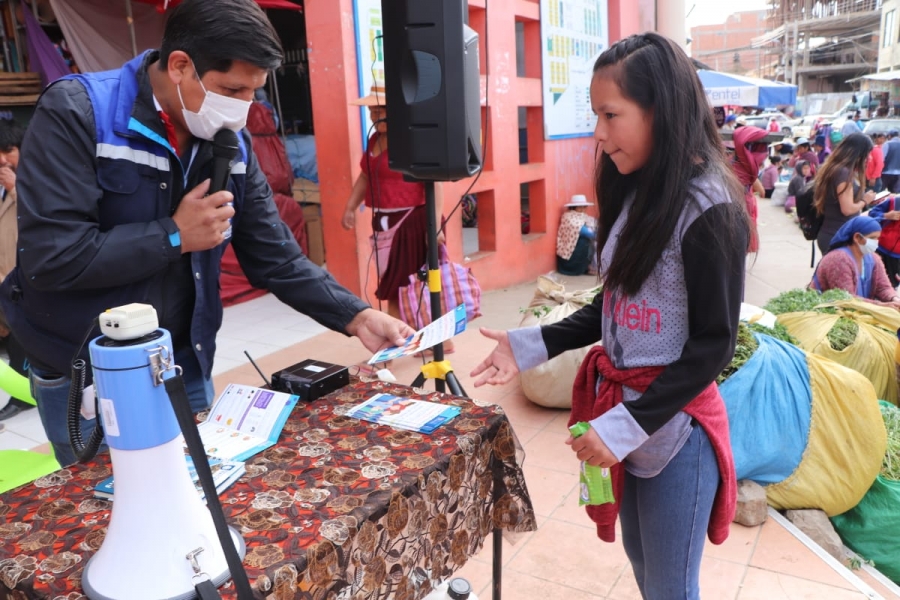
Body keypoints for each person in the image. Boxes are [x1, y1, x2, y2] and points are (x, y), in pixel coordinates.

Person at [0, 0, 415, 467]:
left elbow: (275, 255)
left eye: (253, 92)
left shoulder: (230, 142)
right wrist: (174, 236)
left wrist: (356, 315)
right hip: (88, 370)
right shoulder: (79, 113)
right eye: (231, 89)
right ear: (180, 66)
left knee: (200, 488)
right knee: (110, 498)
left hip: (181, 360)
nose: (242, 109)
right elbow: (52, 257)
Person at [471, 32, 746, 599]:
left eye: (610, 115)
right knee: (643, 565)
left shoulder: (710, 208)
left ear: (660, 110)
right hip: (626, 416)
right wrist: (529, 345)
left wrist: (624, 426)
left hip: (675, 427)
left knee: (671, 588)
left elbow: (714, 343)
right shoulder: (636, 191)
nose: (598, 133)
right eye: (595, 115)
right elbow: (614, 307)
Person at [341, 85, 453, 349]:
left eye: (381, 109)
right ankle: (417, 340)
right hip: (383, 222)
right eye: (372, 110)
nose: (375, 115)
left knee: (404, 285)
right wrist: (350, 207)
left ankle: (404, 344)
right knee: (396, 283)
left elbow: (435, 182)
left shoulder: (412, 140)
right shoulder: (373, 140)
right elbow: (365, 176)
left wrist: (434, 227)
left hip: (414, 221)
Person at [0, 119, 32, 421]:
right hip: (3, 275)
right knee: (11, 336)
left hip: (25, 278)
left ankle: (23, 397)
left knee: (22, 338)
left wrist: (15, 188)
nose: (3, 159)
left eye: (8, 150)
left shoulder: (37, 179)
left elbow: (38, 217)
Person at [810, 216, 900, 308]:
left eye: (877, 238)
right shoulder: (839, 259)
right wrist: (881, 305)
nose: (875, 242)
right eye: (872, 238)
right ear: (857, 237)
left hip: (859, 308)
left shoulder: (874, 258)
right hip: (826, 309)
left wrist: (894, 299)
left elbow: (883, 287)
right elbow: (847, 299)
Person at [813, 133, 878, 256]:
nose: (869, 158)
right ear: (858, 153)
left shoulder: (836, 168)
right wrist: (865, 201)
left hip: (833, 233)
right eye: (867, 154)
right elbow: (847, 209)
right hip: (837, 235)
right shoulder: (843, 173)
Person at [556, 194, 597, 275]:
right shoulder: (569, 217)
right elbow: (586, 232)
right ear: (573, 208)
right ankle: (582, 267)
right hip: (569, 257)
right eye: (580, 207)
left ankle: (588, 265)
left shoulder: (583, 217)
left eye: (584, 207)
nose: (582, 209)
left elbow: (593, 224)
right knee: (585, 241)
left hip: (574, 252)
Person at [867, 192, 900, 286]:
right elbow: (871, 213)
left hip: (897, 257)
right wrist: (886, 215)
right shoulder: (894, 201)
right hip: (878, 247)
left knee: (890, 284)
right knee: (870, 279)